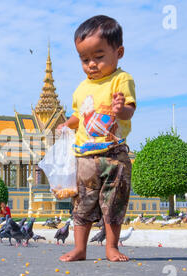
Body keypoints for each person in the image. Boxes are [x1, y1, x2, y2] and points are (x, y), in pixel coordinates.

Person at [56, 15, 136, 262]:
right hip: (85, 157)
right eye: (84, 59)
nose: (91, 64)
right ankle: (80, 248)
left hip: (114, 154)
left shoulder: (121, 79)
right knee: (82, 204)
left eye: (98, 57)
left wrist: (120, 109)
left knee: (113, 203)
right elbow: (78, 116)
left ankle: (111, 247)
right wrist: (65, 125)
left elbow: (130, 110)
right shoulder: (81, 88)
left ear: (118, 52)